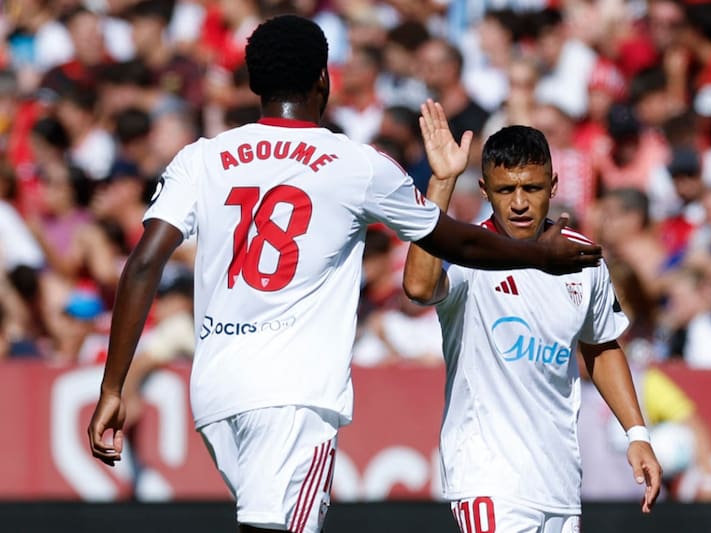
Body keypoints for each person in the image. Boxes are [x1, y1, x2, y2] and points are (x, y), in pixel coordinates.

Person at [86, 15, 602, 533]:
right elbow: (455, 239)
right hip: (293, 394)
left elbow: (144, 264)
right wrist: (537, 255)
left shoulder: (202, 157)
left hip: (216, 392)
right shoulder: (354, 164)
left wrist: (114, 386)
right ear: (324, 80)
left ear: (252, 83)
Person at [403, 100, 662, 532]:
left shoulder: (582, 258)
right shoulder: (469, 255)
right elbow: (418, 287)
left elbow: (601, 345)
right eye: (506, 191)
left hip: (559, 483)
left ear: (554, 186)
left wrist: (637, 434)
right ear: (485, 191)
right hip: (489, 480)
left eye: (532, 188)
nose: (519, 203)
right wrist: (443, 181)